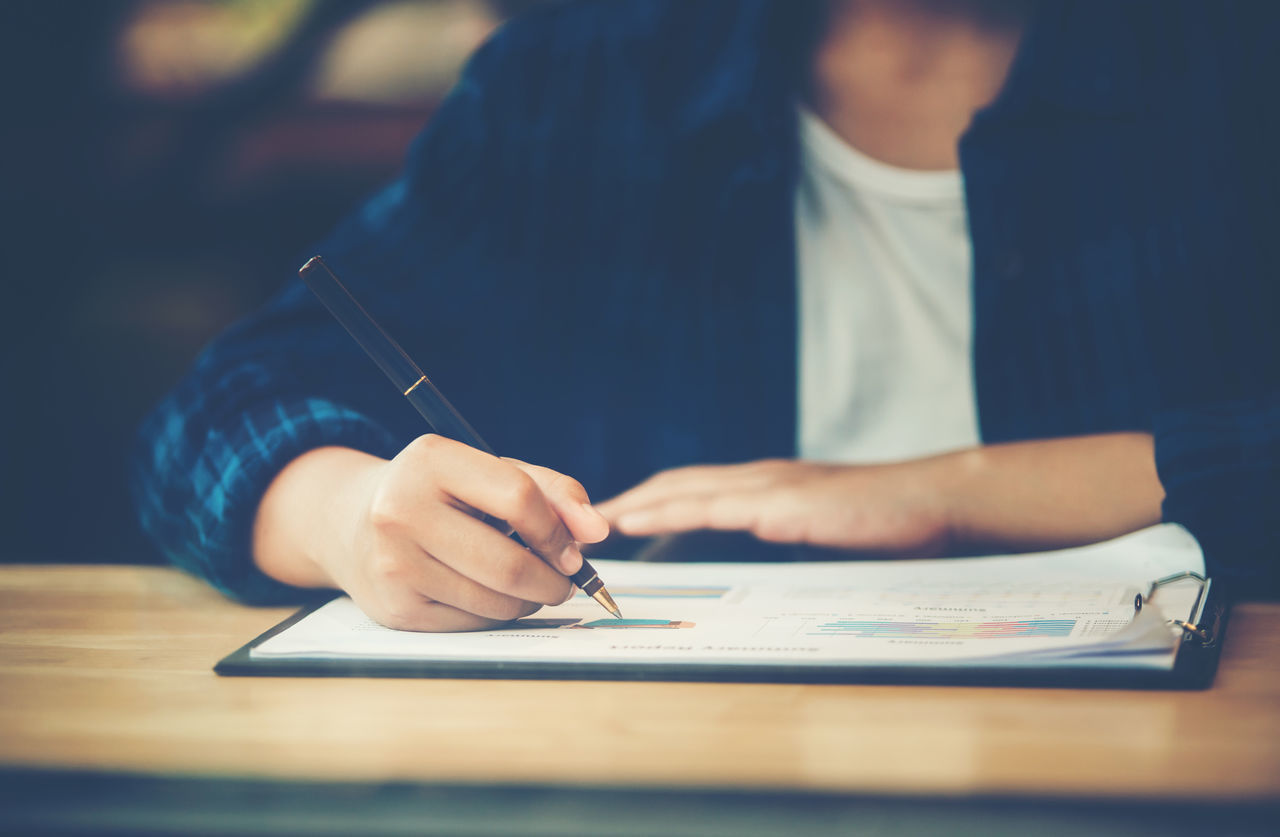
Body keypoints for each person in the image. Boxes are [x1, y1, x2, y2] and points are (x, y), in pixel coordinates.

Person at [133, 0, 1280, 631]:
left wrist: (949, 490)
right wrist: (348, 514)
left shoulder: (1228, 65)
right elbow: (210, 417)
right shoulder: (581, 77)